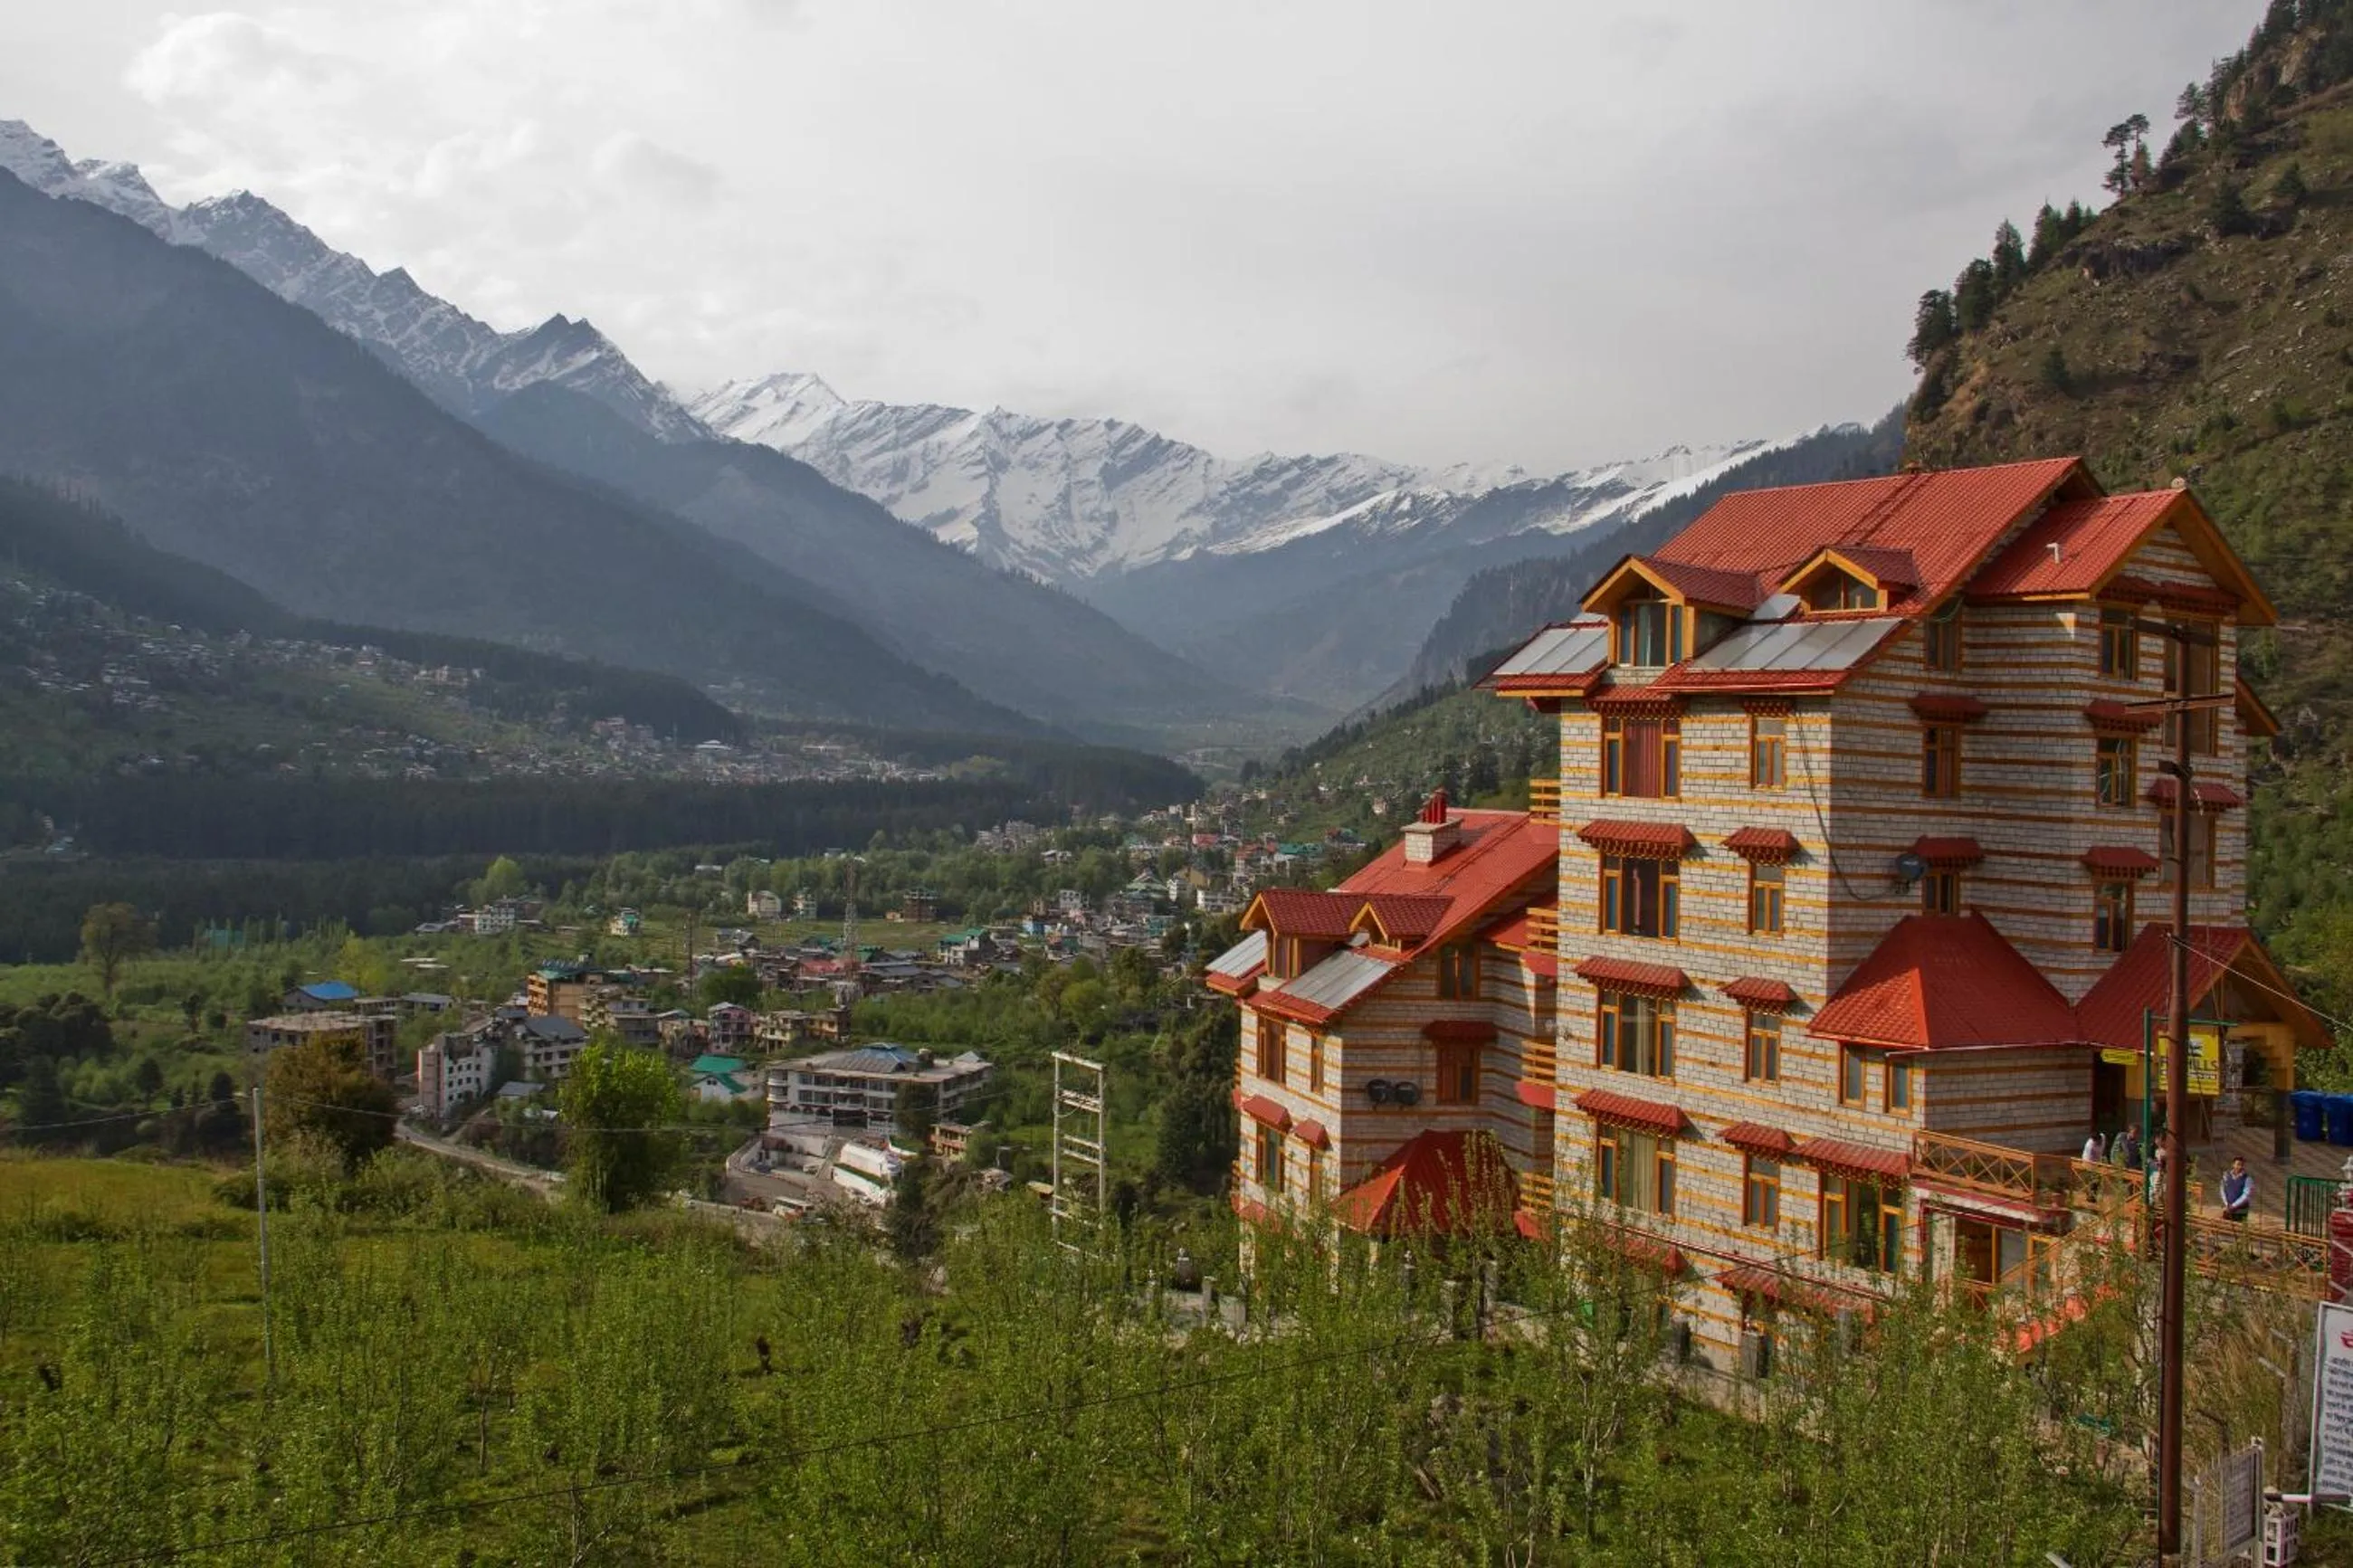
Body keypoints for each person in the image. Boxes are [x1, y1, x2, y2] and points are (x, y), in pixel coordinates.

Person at [2220, 1155, 2254, 1222]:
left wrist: (2234, 1206)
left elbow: (2246, 1195)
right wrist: (2227, 1203)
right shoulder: (2226, 1176)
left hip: (2241, 1210)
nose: (2240, 1167)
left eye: (2242, 1165)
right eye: (2238, 1164)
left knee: (2239, 1228)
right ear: (2233, 1165)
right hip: (2228, 1208)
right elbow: (2222, 1190)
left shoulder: (2247, 1179)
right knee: (2226, 1227)